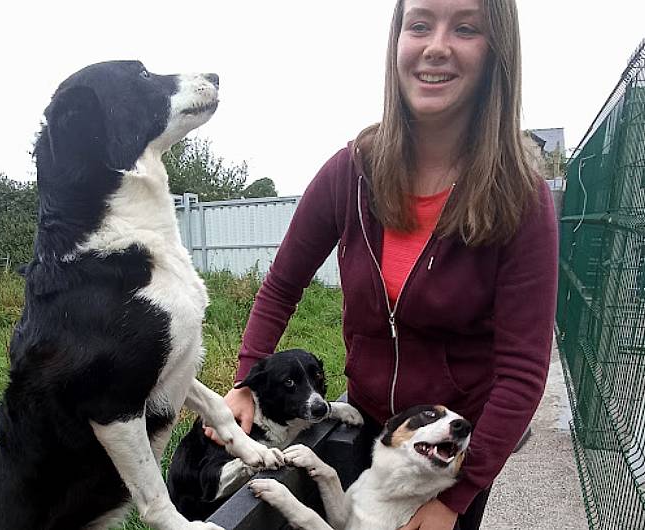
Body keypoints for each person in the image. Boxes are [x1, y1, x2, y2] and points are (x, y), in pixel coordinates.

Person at [205, 0, 557, 528]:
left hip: (448, 457)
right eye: (419, 24)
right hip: (369, 422)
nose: (436, 45)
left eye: (465, 28)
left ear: (496, 52)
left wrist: (452, 502)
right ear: (398, 41)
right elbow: (281, 285)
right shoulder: (352, 171)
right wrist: (244, 382)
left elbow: (523, 372)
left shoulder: (520, 197)